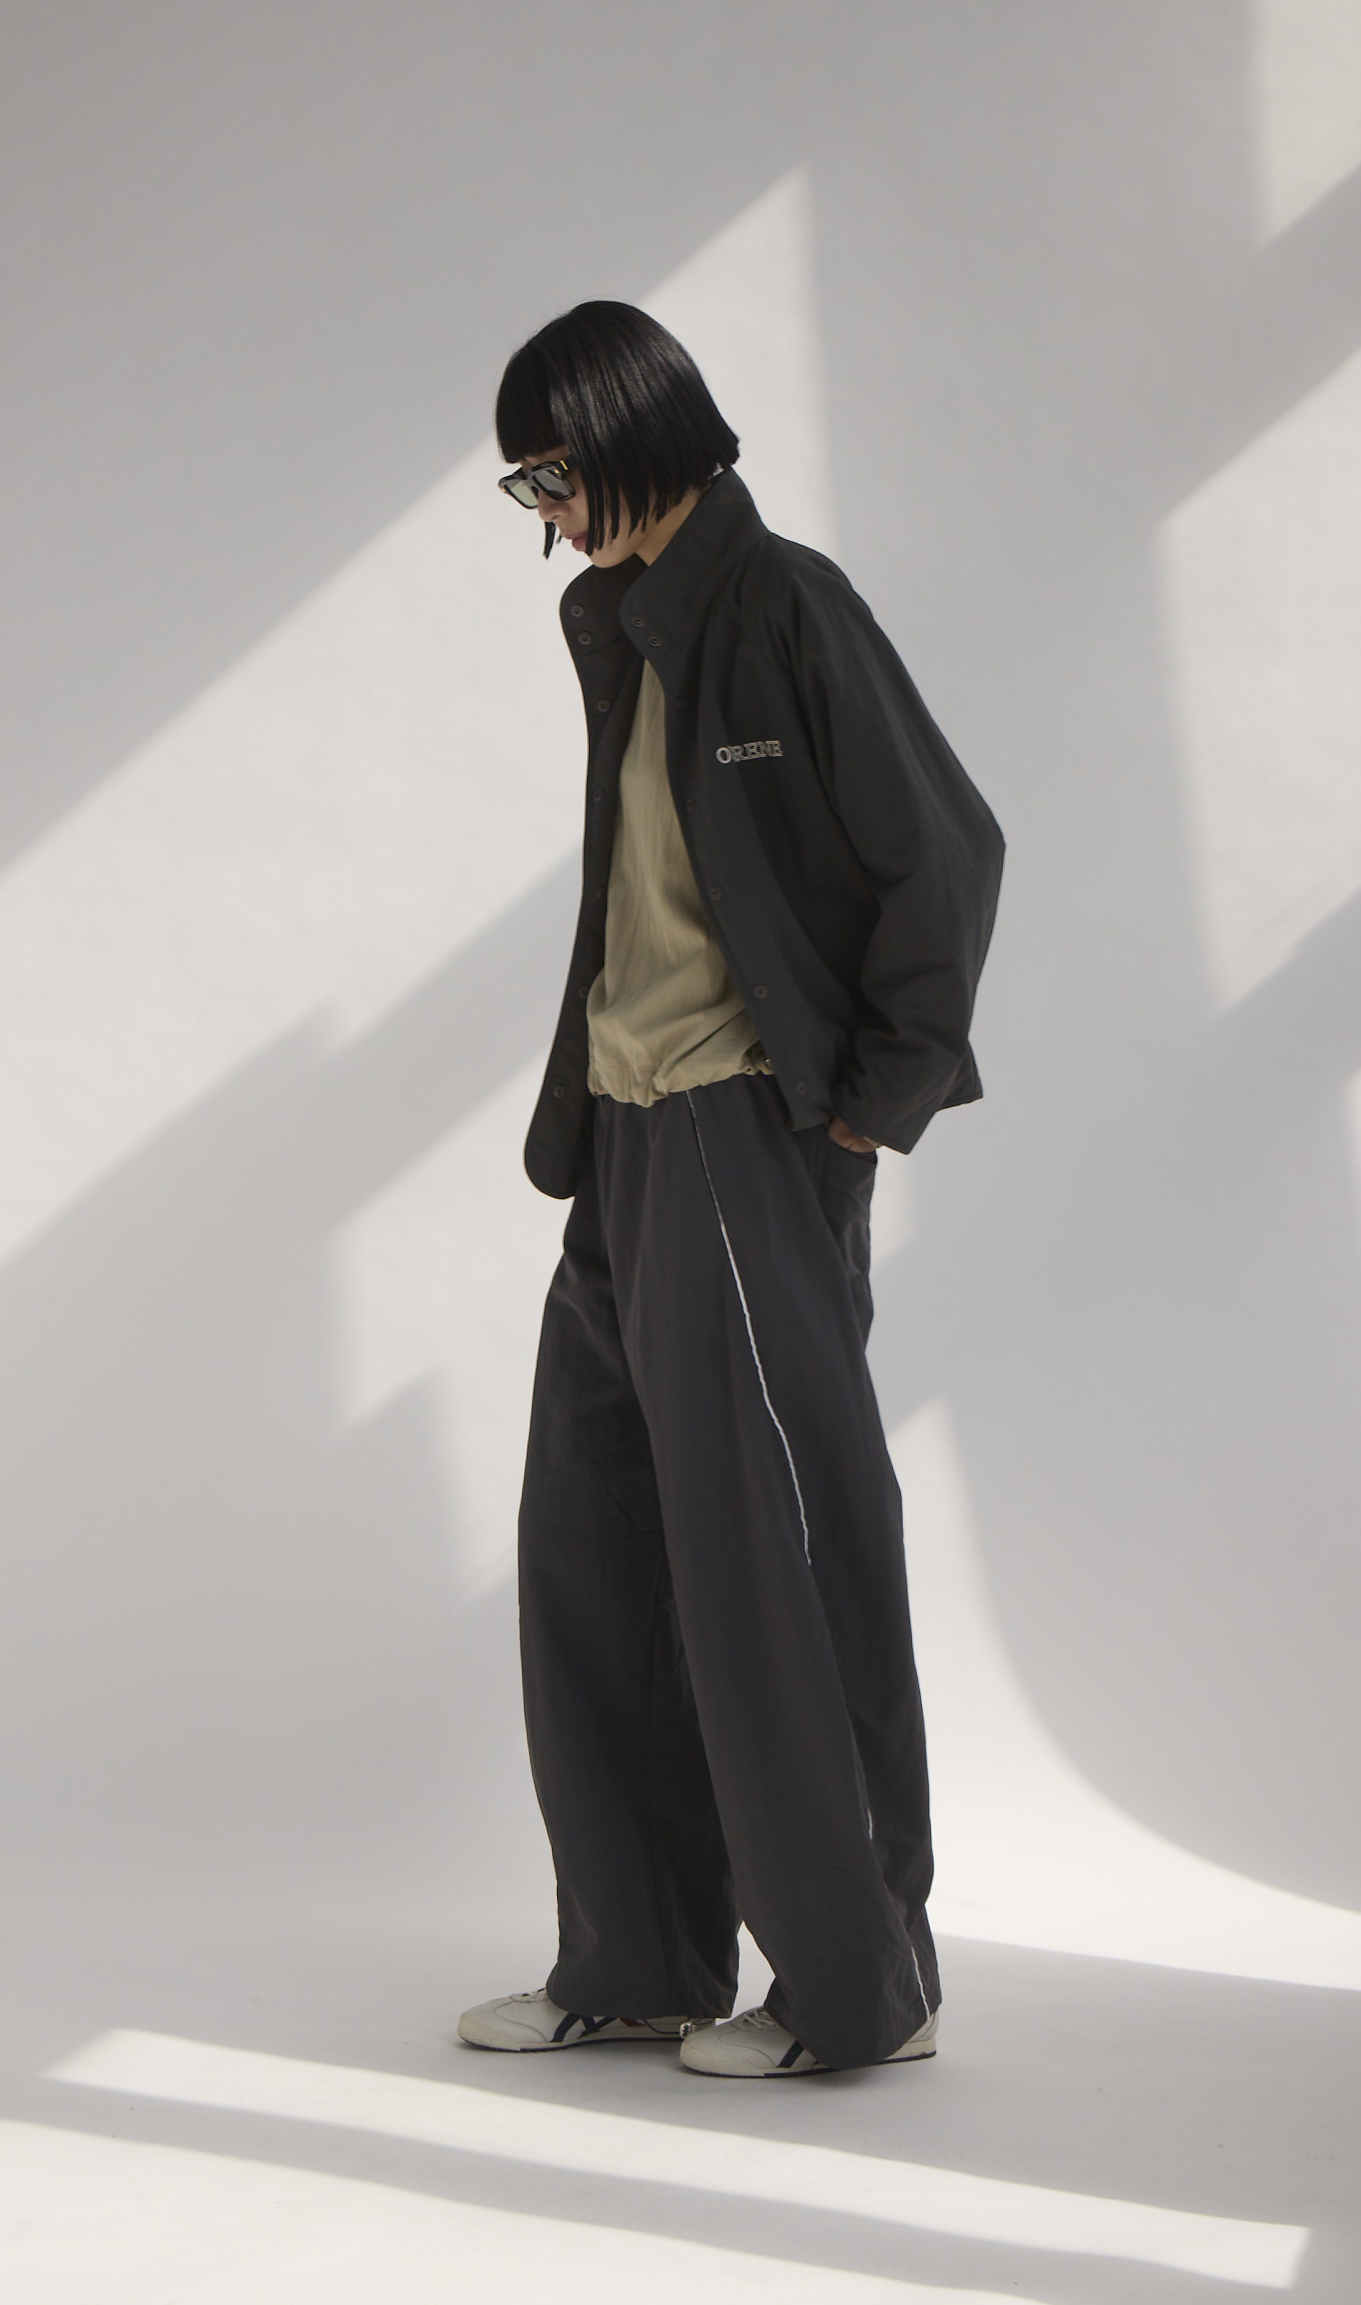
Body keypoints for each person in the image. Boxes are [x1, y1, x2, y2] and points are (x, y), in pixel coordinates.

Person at [457, 301, 1004, 2077]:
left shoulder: (783, 605)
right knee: (593, 1545)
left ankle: (863, 1990)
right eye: (523, 486)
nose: (544, 513)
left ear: (632, 433)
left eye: (552, 472)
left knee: (779, 1557)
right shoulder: (627, 625)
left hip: (744, 1131)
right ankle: (638, 1959)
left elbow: (947, 852)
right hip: (624, 1135)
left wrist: (867, 1108)